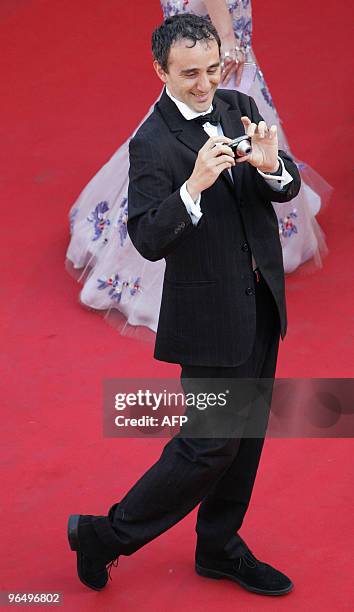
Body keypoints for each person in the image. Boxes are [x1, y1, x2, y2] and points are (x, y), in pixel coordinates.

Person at [67, 14, 301, 596]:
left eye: (213, 68)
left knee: (244, 438)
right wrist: (192, 186)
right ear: (160, 71)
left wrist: (271, 164)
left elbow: (287, 185)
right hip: (209, 316)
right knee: (208, 444)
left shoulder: (234, 104)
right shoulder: (151, 143)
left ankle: (219, 546)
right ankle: (106, 534)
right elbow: (147, 238)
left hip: (262, 303)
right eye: (189, 73)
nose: (205, 83)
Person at [66, 0, 330, 337]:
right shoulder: (214, 74)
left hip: (194, 49)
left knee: (188, 146)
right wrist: (227, 43)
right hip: (221, 57)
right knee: (223, 153)